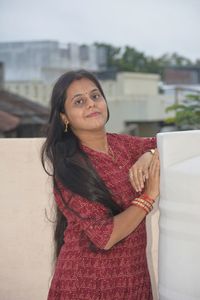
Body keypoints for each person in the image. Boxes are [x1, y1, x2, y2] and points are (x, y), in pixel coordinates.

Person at [41, 69, 160, 300]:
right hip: (88, 285)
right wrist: (148, 196)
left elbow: (170, 143)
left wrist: (150, 153)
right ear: (64, 117)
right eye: (79, 101)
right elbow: (105, 237)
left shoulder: (122, 145)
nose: (91, 104)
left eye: (95, 96)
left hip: (133, 280)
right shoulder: (70, 168)